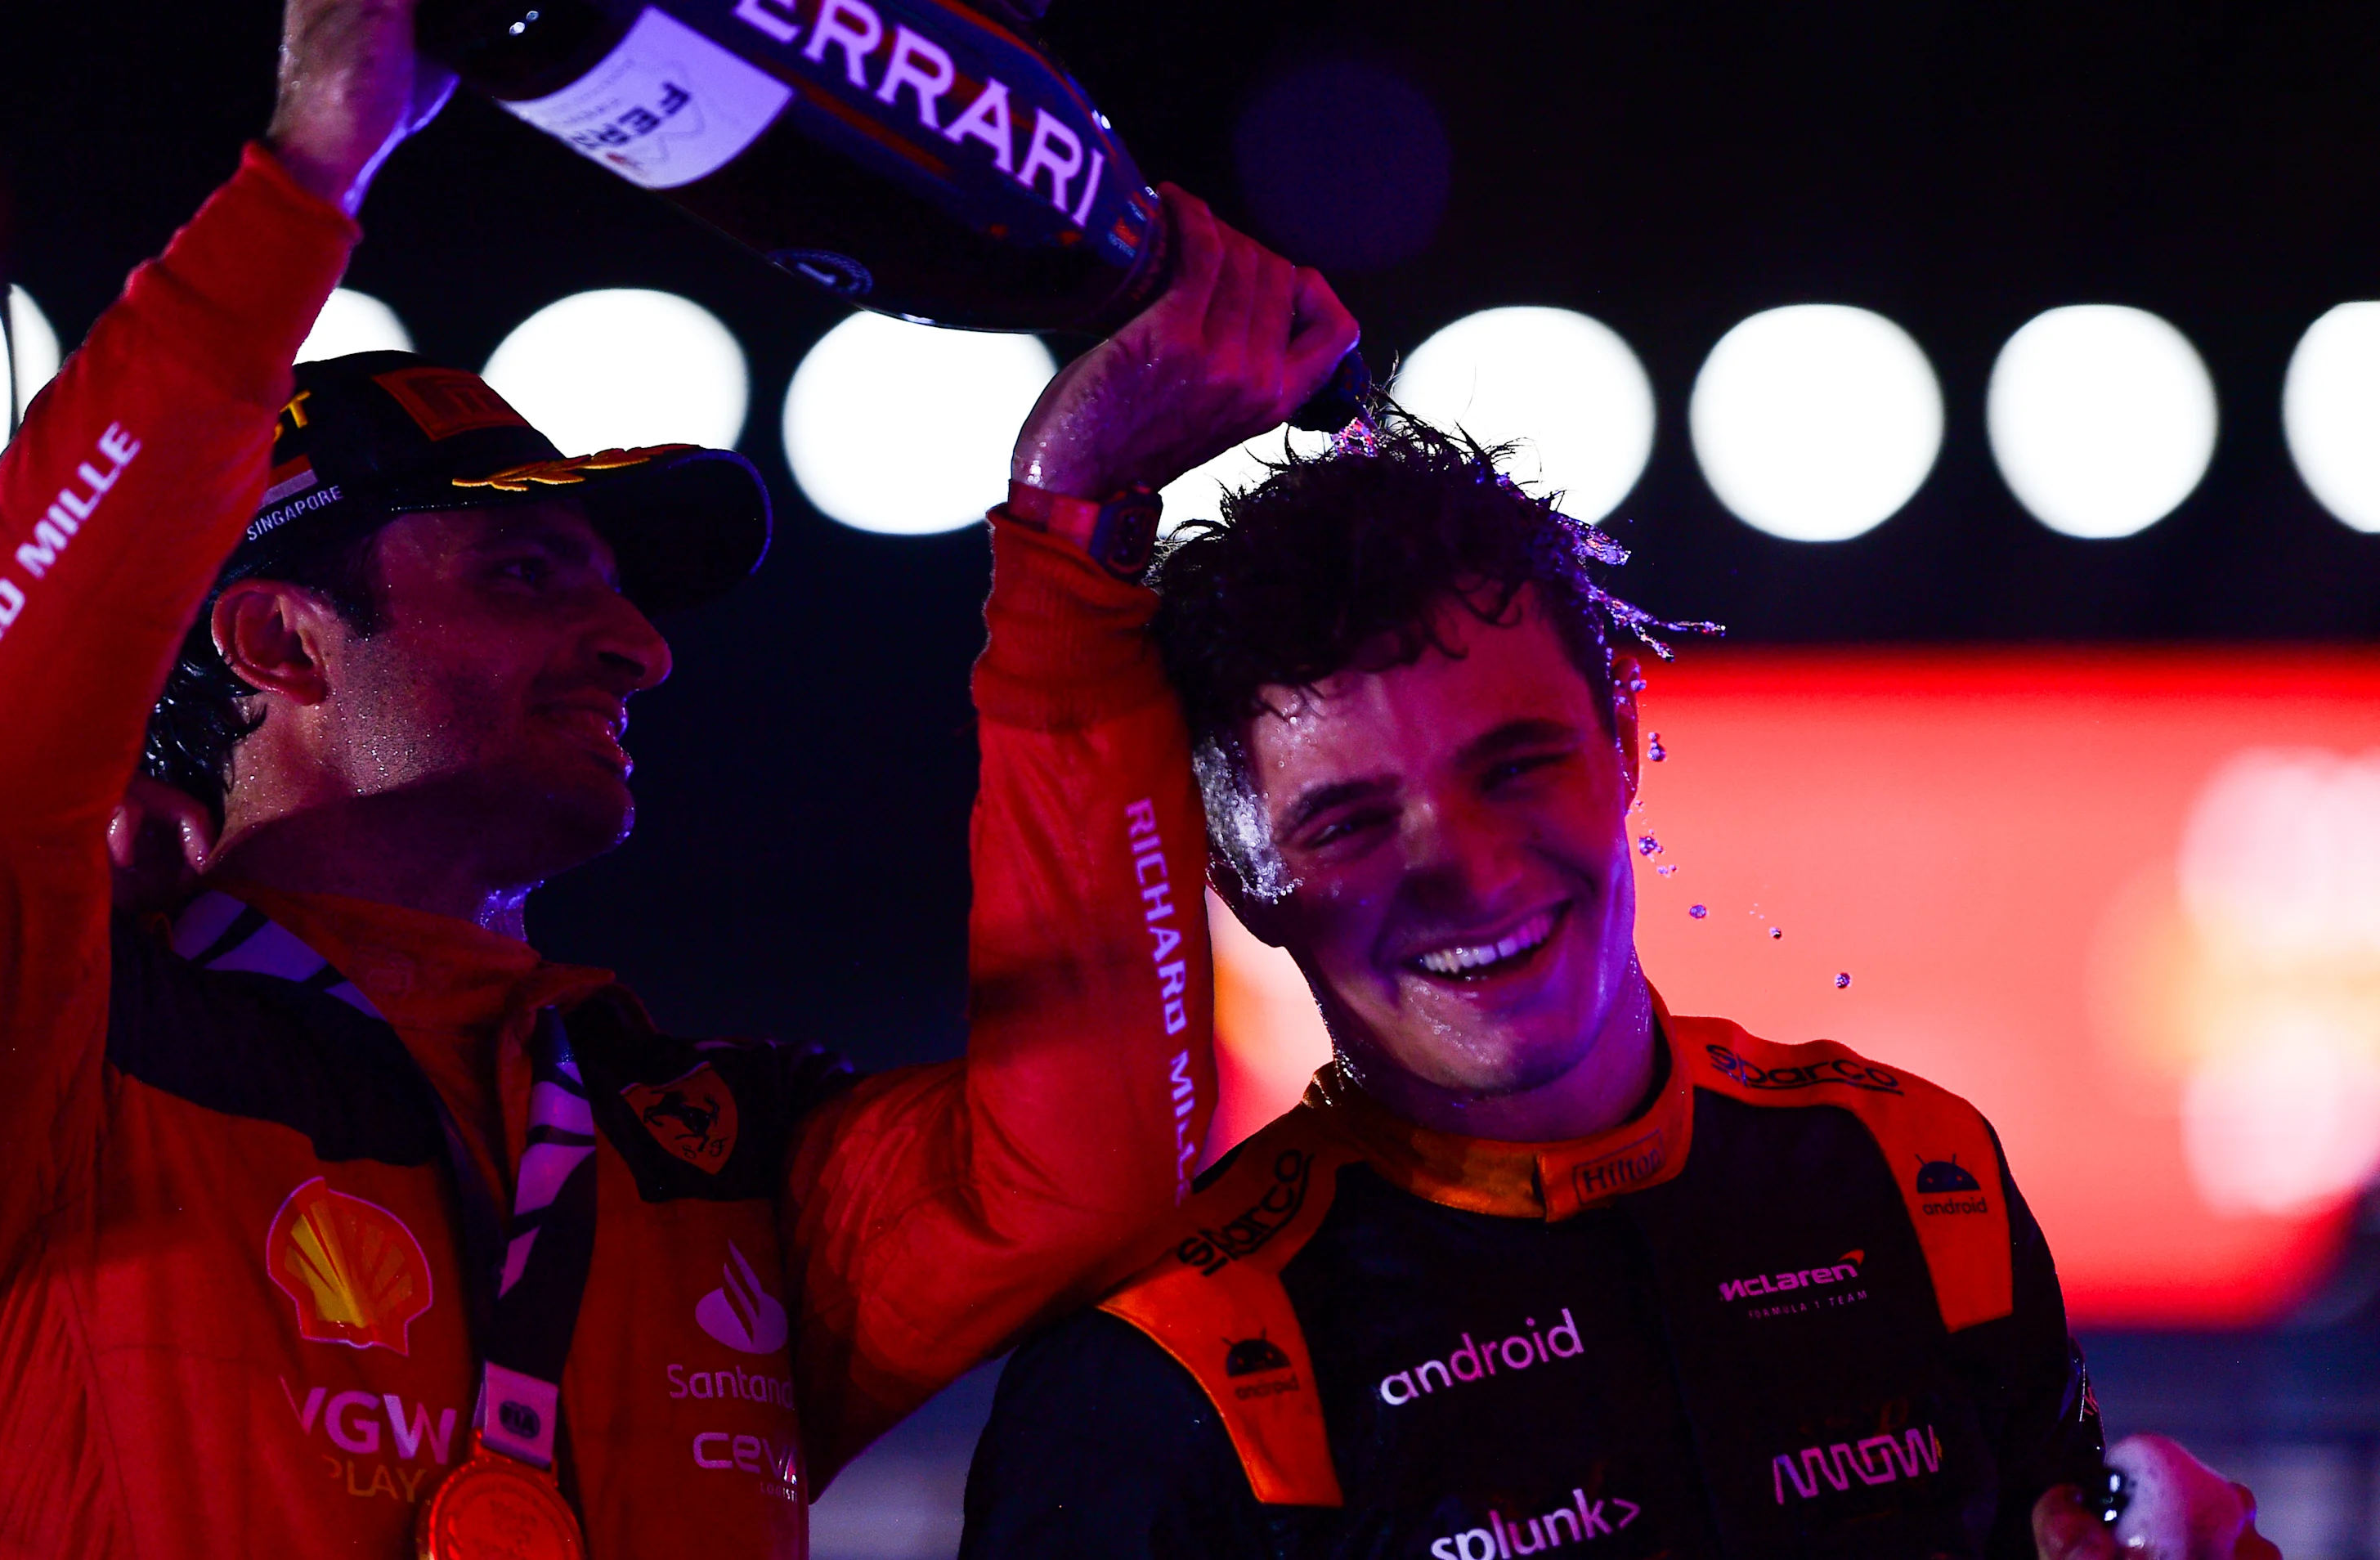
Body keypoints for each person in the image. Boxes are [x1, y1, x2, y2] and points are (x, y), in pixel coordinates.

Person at [0, 0, 1356, 1554]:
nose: (640, 647)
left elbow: (1086, 1173)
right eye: (530, 572)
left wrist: (1076, 534)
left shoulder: (706, 1147)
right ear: (280, 638)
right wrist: (304, 182)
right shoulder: (42, 1055)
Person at [959, 420, 2278, 1559]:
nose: (1467, 869)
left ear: (1625, 745)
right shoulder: (1161, 1369)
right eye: (1350, 823)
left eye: (1517, 766)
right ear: (1243, 883)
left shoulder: (1913, 1169)